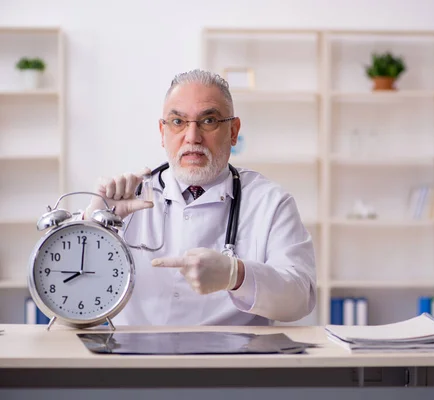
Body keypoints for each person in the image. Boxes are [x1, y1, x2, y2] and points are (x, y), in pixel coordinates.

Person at [84, 69, 317, 326]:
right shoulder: (126, 198)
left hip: (229, 361)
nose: (192, 137)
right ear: (163, 132)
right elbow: (69, 292)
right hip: (135, 360)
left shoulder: (270, 203)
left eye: (208, 121)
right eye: (178, 122)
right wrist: (91, 225)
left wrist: (236, 275)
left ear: (233, 130)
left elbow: (300, 297)